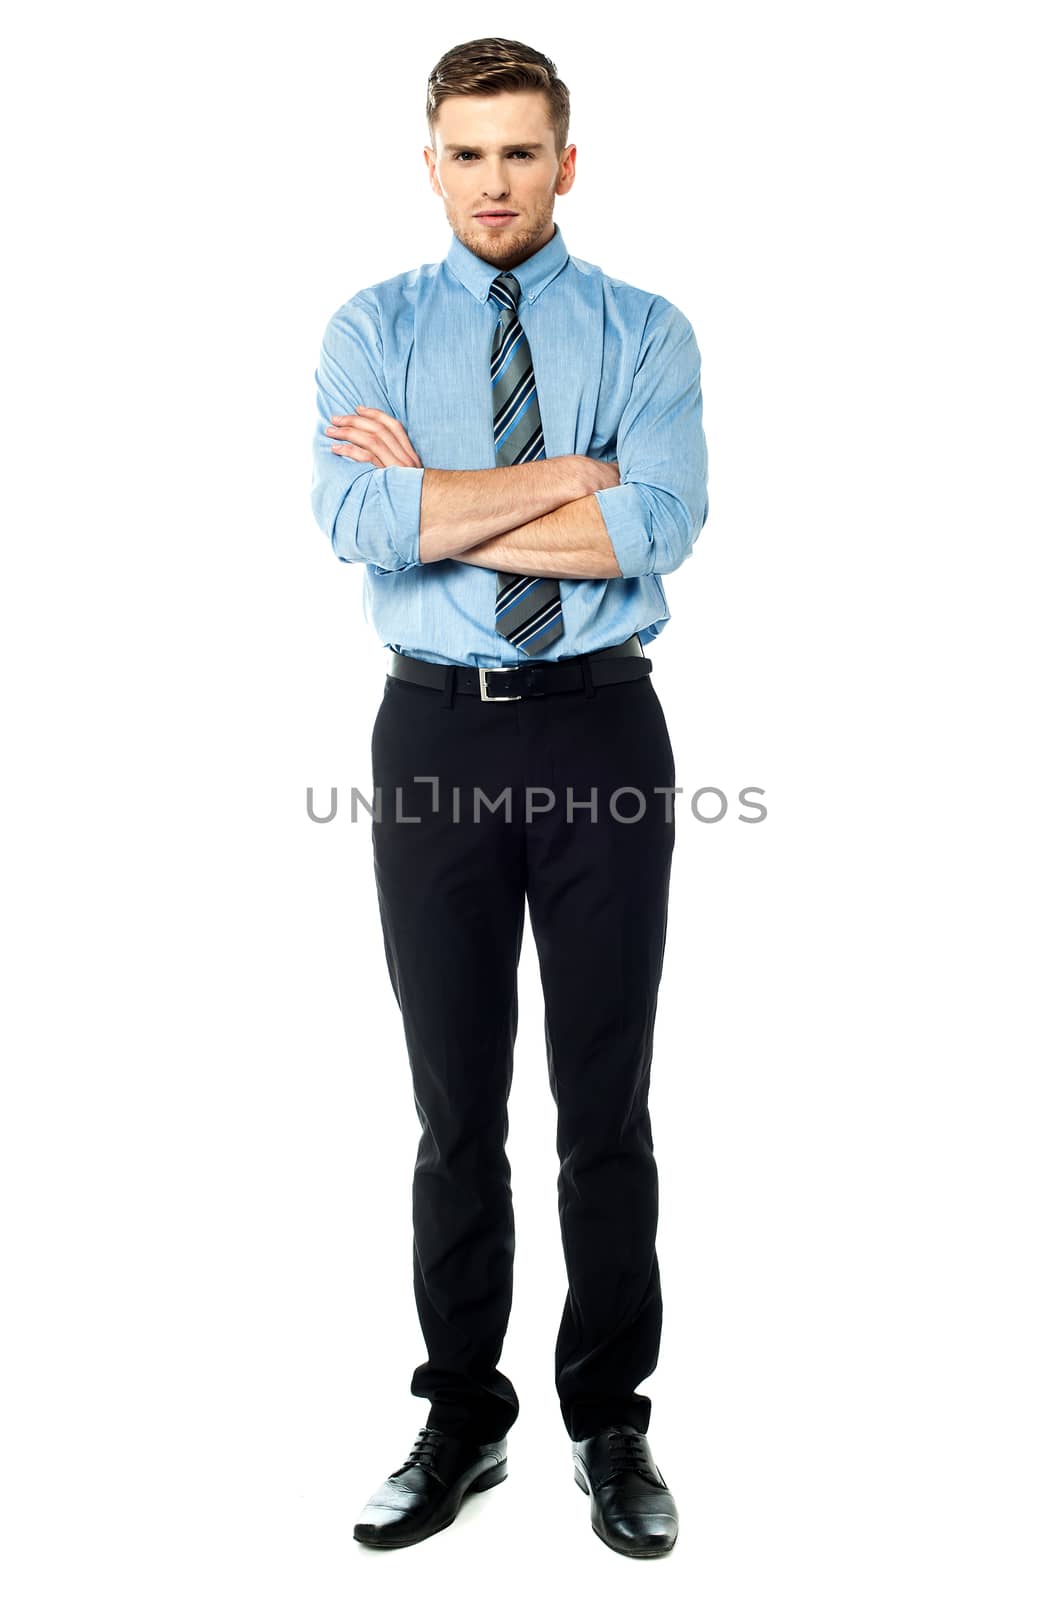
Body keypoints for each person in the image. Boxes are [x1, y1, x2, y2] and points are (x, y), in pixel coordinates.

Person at [310, 36, 708, 1559]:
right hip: (432, 739)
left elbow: (664, 527)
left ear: (565, 162)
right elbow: (355, 523)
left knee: (601, 1100)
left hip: (604, 731)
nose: (494, 179)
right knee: (451, 1102)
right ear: (432, 166)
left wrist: (443, 512)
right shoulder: (370, 327)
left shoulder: (646, 328)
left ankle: (609, 1421)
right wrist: (577, 478)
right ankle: (462, 1416)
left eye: (520, 151)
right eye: (466, 153)